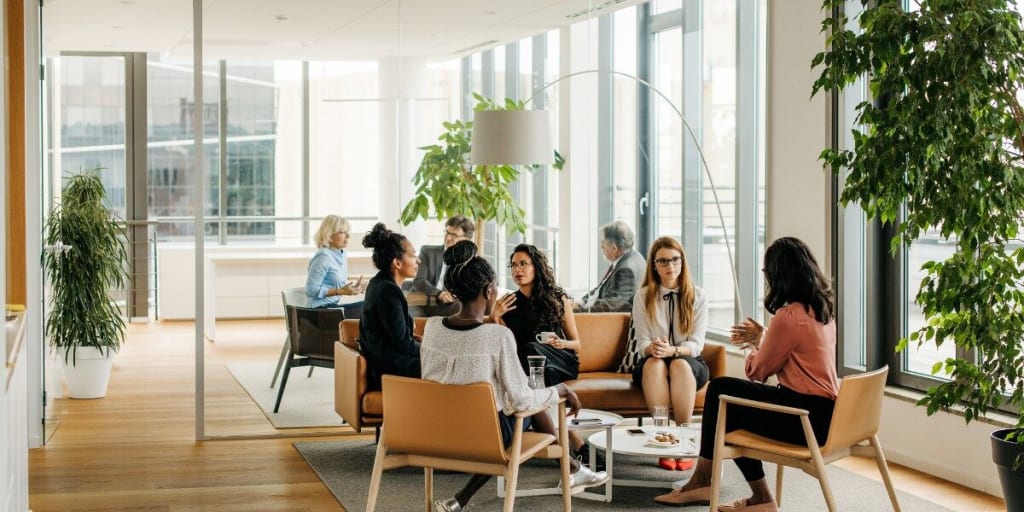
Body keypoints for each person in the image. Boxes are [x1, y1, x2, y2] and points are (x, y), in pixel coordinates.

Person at [652, 237, 838, 512]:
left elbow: (757, 371)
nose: (766, 278)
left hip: (803, 420)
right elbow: (797, 355)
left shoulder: (788, 317)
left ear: (778, 274)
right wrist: (766, 338)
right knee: (727, 401)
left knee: (721, 392)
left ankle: (707, 480)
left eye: (766, 272)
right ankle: (753, 495)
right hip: (824, 416)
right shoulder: (821, 312)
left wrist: (755, 345)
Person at [422, 241, 609, 512]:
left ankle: (460, 499)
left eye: (523, 264)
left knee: (520, 403)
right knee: (526, 406)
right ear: (488, 291)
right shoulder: (498, 334)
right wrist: (561, 392)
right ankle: (573, 466)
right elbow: (522, 400)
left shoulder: (432, 327)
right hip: (486, 434)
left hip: (437, 433)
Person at [630, 236, 709, 471]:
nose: (669, 266)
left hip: (689, 361)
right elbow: (641, 342)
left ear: (682, 261)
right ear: (654, 265)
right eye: (662, 261)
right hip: (652, 361)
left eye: (675, 260)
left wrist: (673, 351)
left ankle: (683, 439)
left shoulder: (698, 296)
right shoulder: (643, 296)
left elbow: (696, 344)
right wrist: (652, 348)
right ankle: (663, 438)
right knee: (655, 364)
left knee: (679, 365)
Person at [491, 243, 581, 387]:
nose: (517, 269)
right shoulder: (507, 304)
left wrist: (561, 343)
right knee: (546, 370)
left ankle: (531, 398)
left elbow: (577, 345)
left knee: (532, 348)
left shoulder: (558, 300)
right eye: (513, 265)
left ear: (536, 267)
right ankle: (544, 402)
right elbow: (505, 347)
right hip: (531, 366)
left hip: (561, 360)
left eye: (523, 264)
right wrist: (494, 317)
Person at [358, 223, 422, 390]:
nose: (418, 260)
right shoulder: (388, 291)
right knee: (447, 366)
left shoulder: (378, 283)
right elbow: (403, 344)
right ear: (397, 263)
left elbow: (396, 337)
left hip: (385, 362)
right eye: (413, 255)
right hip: (387, 369)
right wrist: (430, 350)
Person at [409, 215, 475, 314]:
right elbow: (419, 281)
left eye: (454, 235)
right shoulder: (427, 252)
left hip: (449, 305)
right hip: (423, 302)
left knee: (464, 307)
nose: (448, 238)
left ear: (466, 239)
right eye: (447, 232)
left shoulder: (468, 261)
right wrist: (440, 294)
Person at [575, 221, 646, 313]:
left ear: (614, 248)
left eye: (603, 243)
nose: (601, 246)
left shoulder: (626, 269)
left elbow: (612, 306)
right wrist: (581, 302)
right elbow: (600, 288)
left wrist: (576, 312)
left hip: (605, 321)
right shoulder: (631, 257)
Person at [305, 215, 364, 309]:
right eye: (342, 232)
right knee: (370, 307)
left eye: (347, 232)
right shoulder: (323, 257)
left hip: (332, 307)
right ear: (329, 235)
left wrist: (353, 288)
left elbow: (335, 282)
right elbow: (310, 290)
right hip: (319, 311)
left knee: (372, 305)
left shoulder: (341, 254)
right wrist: (340, 291)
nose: (348, 236)